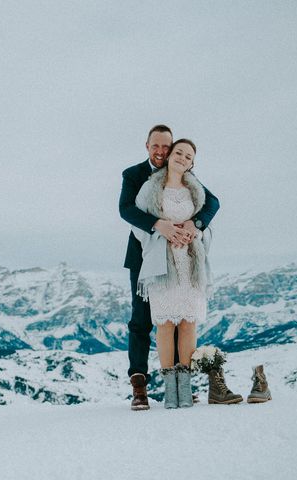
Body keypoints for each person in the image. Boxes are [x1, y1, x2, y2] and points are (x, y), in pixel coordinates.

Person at [119, 126, 220, 410]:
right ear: (147, 145)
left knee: (181, 317)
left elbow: (211, 202)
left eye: (167, 146)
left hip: (182, 256)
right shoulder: (134, 174)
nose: (161, 152)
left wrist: (195, 224)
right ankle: (139, 385)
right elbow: (126, 210)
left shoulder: (186, 175)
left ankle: (179, 386)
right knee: (142, 320)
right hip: (144, 255)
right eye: (156, 146)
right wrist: (157, 225)